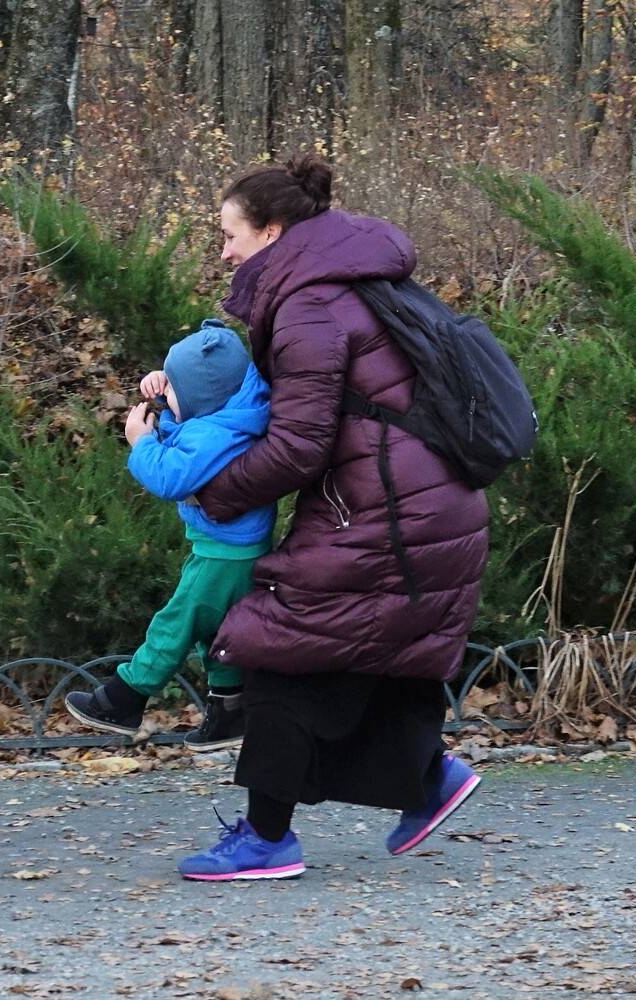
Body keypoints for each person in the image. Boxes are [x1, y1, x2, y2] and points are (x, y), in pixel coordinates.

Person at [171, 153, 488, 882]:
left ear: (272, 232)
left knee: (279, 645)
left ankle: (266, 839)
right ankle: (429, 779)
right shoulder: (351, 277)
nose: (224, 252)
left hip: (389, 508)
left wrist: (211, 494)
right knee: (361, 648)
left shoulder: (308, 305)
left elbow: (298, 444)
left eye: (230, 235)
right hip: (426, 501)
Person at [65, 319, 273, 751]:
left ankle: (124, 698)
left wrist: (141, 441)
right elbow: (191, 426)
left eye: (174, 388)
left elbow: (172, 476)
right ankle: (229, 711)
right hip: (233, 550)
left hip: (222, 555)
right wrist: (165, 393)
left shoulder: (215, 433)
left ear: (200, 395)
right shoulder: (232, 413)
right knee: (218, 632)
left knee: (175, 624)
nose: (167, 394)